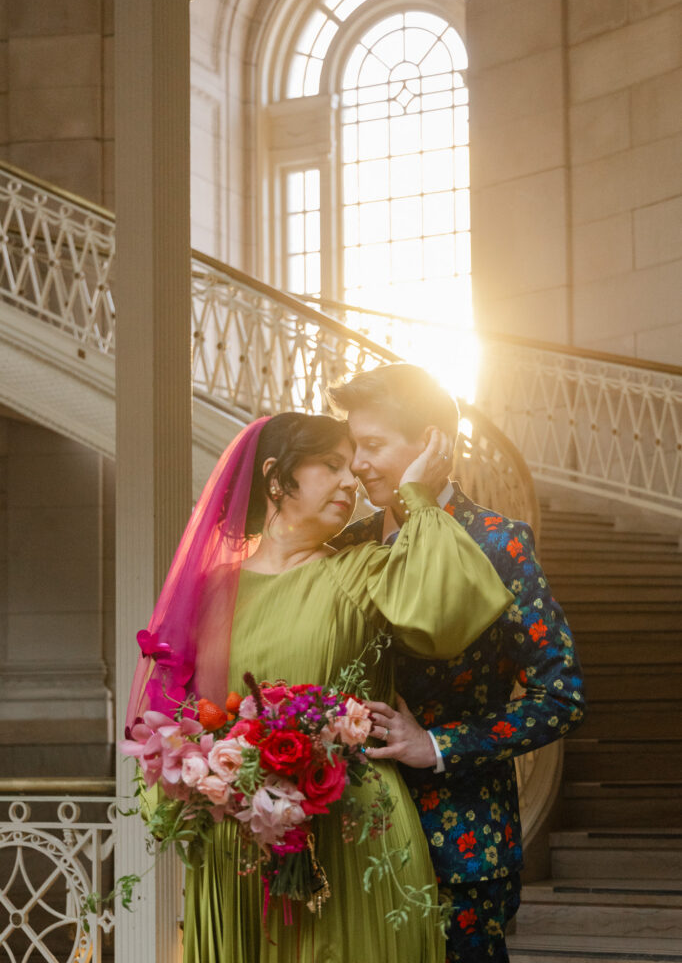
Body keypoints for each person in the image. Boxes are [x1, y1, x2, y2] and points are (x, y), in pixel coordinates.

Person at [126, 411, 514, 963]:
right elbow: (168, 720)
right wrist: (193, 788)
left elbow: (451, 612)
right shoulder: (211, 591)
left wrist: (417, 497)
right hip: (241, 841)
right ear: (276, 477)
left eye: (351, 466)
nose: (351, 480)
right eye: (331, 465)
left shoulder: (367, 569)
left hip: (355, 830)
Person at [327, 365, 586, 963]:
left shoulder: (498, 541)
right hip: (356, 834)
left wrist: (438, 745)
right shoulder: (349, 543)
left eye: (373, 446)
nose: (358, 464)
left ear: (430, 443)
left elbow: (562, 695)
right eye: (352, 447)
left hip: (463, 842)